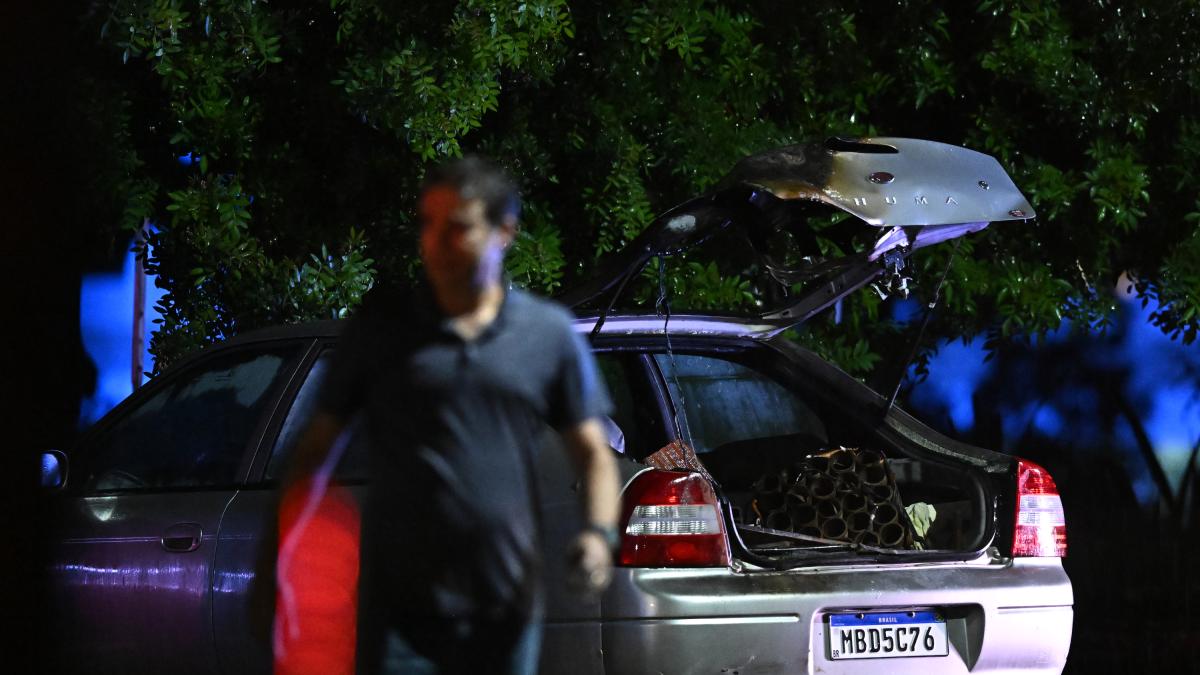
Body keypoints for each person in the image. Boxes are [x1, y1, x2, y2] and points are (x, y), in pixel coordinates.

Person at [279, 156, 621, 674]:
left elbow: (594, 453)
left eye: (457, 227)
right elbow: (314, 449)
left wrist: (599, 535)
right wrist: (275, 565)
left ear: (504, 231)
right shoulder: (381, 331)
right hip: (399, 614)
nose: (435, 242)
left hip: (505, 608)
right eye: (427, 223)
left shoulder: (546, 336)